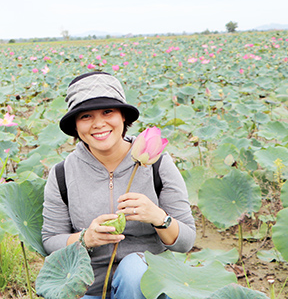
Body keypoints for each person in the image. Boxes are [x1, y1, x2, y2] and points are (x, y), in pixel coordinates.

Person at [42, 71, 196, 299]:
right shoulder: (62, 173)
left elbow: (186, 241)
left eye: (107, 112)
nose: (99, 124)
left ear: (123, 116)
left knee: (134, 270)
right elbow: (50, 240)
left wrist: (157, 217)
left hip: (146, 287)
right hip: (87, 288)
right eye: (86, 116)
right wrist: (85, 239)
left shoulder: (157, 163)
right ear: (75, 125)